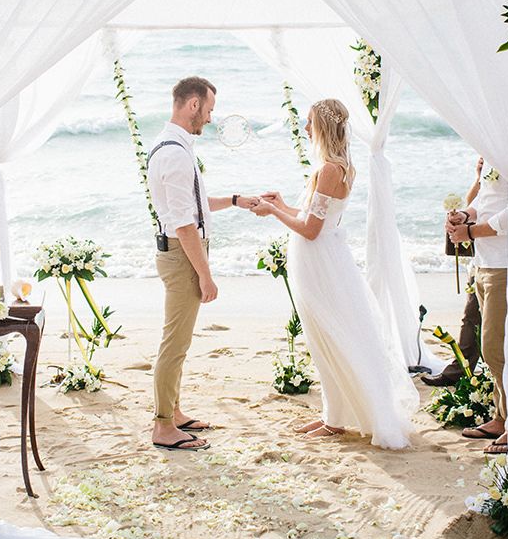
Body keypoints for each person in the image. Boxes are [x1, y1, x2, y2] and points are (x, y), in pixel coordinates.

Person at [251, 99, 419, 449]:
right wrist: (282, 204)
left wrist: (271, 212)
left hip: (321, 262)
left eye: (310, 121)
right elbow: (317, 217)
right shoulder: (338, 166)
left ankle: (336, 419)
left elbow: (311, 229)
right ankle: (334, 416)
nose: (306, 128)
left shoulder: (329, 169)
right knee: (323, 339)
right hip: (323, 258)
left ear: (323, 126)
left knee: (330, 337)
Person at [148, 76, 258, 451]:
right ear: (193, 105)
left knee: (178, 340)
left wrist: (236, 200)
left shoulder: (173, 147)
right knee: (175, 343)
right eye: (209, 110)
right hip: (182, 255)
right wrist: (206, 275)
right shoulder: (175, 154)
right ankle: (163, 426)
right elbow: (183, 223)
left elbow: (192, 205)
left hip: (179, 252)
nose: (210, 119)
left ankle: (174, 412)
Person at [446, 159, 508, 454]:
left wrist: (471, 233)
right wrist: (464, 215)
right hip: (485, 263)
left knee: (497, 349)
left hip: (506, 264)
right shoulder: (490, 152)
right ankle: (502, 417)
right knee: (492, 349)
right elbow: (487, 200)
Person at [422, 157, 484, 388]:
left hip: (498, 254)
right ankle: (460, 368)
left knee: (476, 315)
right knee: (471, 314)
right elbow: (474, 202)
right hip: (481, 255)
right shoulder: (489, 173)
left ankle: (461, 369)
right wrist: (479, 178)